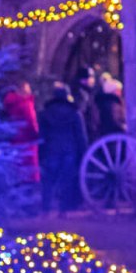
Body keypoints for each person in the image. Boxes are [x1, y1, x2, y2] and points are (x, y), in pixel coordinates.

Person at [38, 83, 88, 215]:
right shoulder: (75, 113)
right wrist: (84, 152)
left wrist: (41, 151)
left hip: (51, 149)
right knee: (67, 180)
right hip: (69, 150)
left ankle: (45, 208)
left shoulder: (46, 113)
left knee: (48, 180)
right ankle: (63, 210)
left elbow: (42, 134)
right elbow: (80, 135)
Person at [0, 84, 41, 189]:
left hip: (14, 139)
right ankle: (28, 195)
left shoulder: (9, 103)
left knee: (17, 168)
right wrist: (36, 134)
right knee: (29, 169)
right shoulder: (26, 104)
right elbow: (31, 122)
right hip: (27, 140)